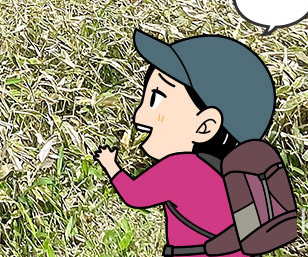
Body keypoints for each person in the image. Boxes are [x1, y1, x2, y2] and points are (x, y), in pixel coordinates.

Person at [94, 29, 277, 255]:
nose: (139, 116)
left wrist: (110, 164)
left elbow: (134, 196)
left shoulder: (180, 169)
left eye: (157, 99)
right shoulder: (239, 178)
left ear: (205, 126)